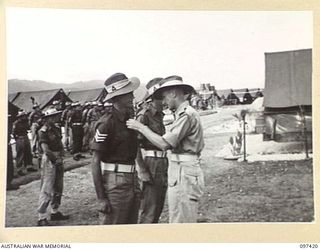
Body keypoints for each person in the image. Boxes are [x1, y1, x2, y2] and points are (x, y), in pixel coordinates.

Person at [127, 75, 205, 223]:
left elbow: (165, 143)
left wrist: (141, 128)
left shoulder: (186, 115)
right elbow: (135, 144)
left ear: (173, 94)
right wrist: (141, 168)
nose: (163, 102)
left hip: (182, 169)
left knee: (181, 218)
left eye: (164, 97)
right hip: (166, 165)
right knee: (159, 210)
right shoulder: (147, 115)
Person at [91, 72, 141, 225]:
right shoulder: (107, 123)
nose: (132, 97)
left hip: (131, 179)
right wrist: (101, 198)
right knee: (113, 229)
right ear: (118, 97)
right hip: (115, 182)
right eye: (128, 94)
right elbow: (95, 162)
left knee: (130, 228)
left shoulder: (128, 120)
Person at [135, 77, 168, 224]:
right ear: (156, 97)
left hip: (162, 161)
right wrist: (142, 169)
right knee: (149, 207)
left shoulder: (160, 115)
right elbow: (135, 145)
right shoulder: (144, 116)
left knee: (158, 204)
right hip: (151, 163)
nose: (166, 99)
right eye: (163, 96)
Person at [37, 107, 69, 226]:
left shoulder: (55, 128)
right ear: (48, 118)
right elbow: (46, 149)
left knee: (58, 186)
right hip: (50, 159)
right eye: (54, 115)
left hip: (58, 158)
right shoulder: (43, 131)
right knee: (47, 187)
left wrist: (61, 154)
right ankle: (41, 217)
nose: (57, 117)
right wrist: (55, 160)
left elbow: (59, 143)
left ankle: (55, 211)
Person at [12, 110, 35, 175]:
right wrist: (17, 138)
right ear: (20, 117)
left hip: (26, 137)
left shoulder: (25, 122)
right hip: (20, 138)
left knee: (28, 152)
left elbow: (28, 128)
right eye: (23, 116)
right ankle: (19, 169)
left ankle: (29, 166)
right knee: (20, 154)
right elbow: (13, 132)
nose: (24, 117)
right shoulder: (16, 123)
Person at [7, 114, 19, 190]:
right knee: (7, 165)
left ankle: (8, 183)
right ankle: (7, 184)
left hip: (7, 146)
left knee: (9, 165)